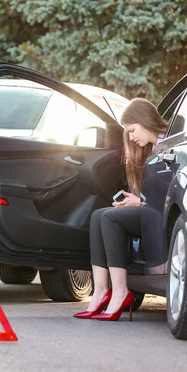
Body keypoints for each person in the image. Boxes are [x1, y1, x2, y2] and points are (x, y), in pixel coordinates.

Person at [74, 98, 167, 321]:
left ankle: (121, 291)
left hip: (160, 216)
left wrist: (139, 202)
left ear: (145, 121)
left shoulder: (169, 145)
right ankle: (100, 291)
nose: (131, 137)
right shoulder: (151, 149)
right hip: (150, 210)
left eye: (132, 130)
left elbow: (168, 195)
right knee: (98, 216)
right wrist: (137, 198)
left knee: (110, 219)